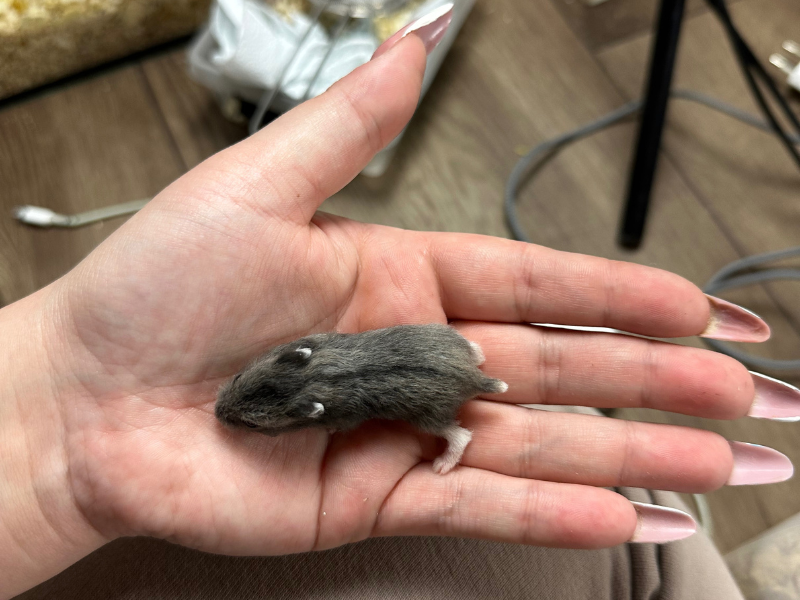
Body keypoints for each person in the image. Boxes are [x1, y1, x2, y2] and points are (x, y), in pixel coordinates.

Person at [2, 8, 797, 599]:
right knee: (640, 507)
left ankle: (462, 427)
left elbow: (336, 407)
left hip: (440, 381)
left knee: (598, 496)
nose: (241, 412)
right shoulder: (311, 361)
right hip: (445, 350)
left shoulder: (326, 402)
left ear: (311, 404)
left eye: (255, 412)